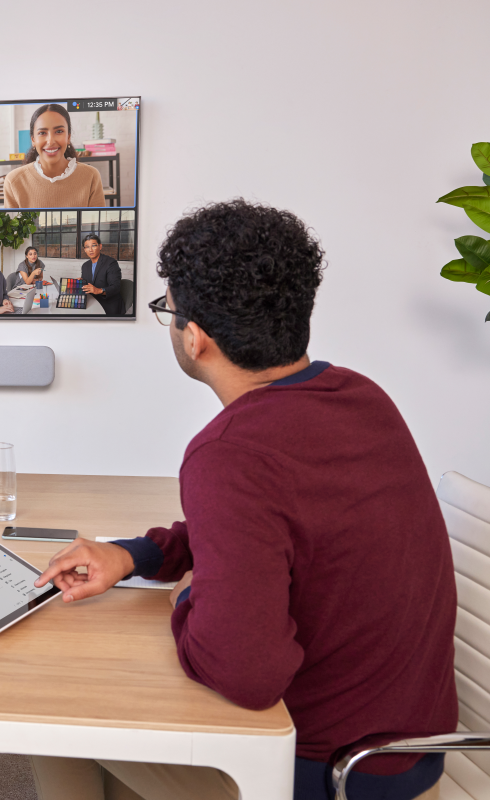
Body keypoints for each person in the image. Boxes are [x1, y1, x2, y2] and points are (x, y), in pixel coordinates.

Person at [29, 200, 455, 800]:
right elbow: (267, 526)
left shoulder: (229, 452)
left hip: (325, 772)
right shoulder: (361, 397)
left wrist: (188, 597)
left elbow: (245, 674)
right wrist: (136, 557)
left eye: (167, 311)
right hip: (415, 749)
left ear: (195, 338)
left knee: (60, 723)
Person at [4, 104, 106, 209]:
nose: (51, 141)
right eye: (42, 133)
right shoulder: (14, 181)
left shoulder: (91, 176)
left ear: (68, 137)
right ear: (33, 140)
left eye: (59, 131)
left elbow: (99, 224)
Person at [79, 234, 124, 316]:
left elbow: (116, 287)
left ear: (100, 246)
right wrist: (82, 282)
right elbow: (90, 283)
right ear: (84, 250)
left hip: (108, 304)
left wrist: (98, 290)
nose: (91, 250)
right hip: (92, 302)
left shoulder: (111, 263)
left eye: (93, 246)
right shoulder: (85, 265)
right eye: (87, 247)